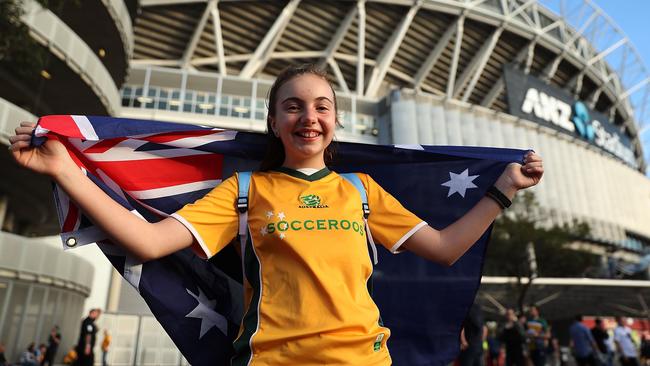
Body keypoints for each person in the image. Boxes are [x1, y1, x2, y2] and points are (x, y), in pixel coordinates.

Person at [9, 64, 544, 365]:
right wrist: (66, 172)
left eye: (321, 106)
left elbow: (448, 249)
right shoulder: (245, 191)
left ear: (335, 119)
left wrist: (503, 191)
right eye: (293, 106)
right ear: (272, 120)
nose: (308, 117)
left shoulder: (361, 191)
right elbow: (148, 243)